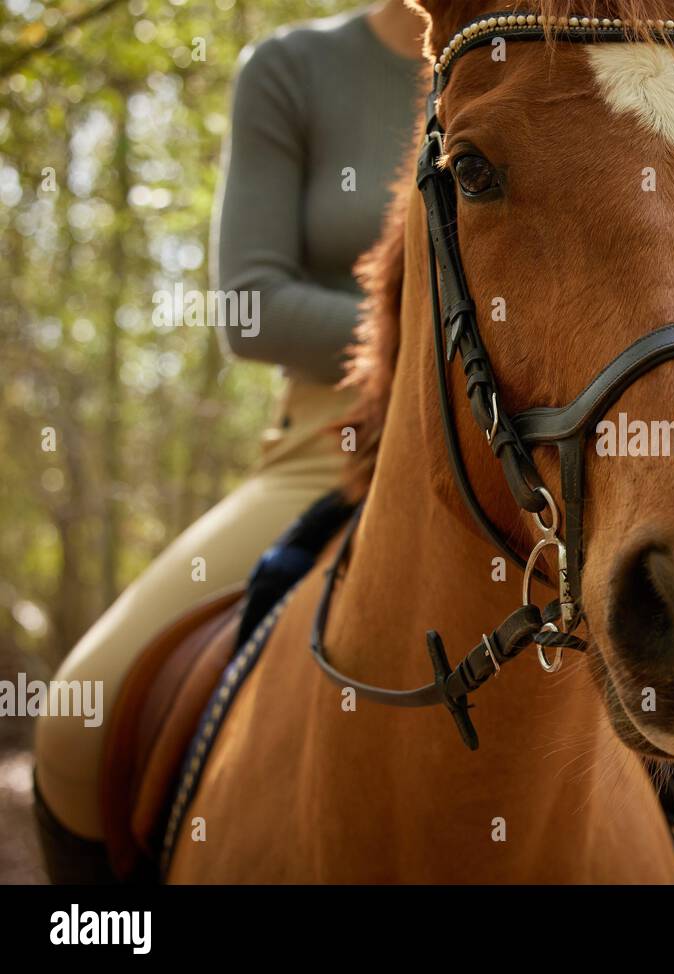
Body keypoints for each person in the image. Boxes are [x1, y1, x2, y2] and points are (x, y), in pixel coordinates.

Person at [33, 0, 428, 845]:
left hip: (533, 453)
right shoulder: (292, 68)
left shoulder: (561, 55)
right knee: (78, 714)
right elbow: (251, 309)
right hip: (334, 443)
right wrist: (450, 343)